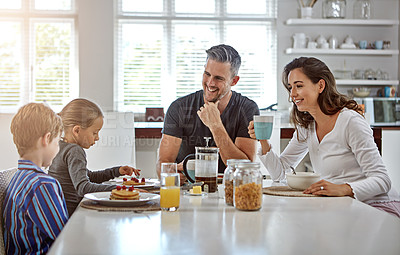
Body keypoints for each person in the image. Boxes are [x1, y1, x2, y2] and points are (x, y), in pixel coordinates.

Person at [248, 57, 400, 218]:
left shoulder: (350, 121)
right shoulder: (307, 126)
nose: (292, 94)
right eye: (290, 87)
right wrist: (263, 140)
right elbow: (279, 173)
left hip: (377, 206)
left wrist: (343, 188)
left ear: (320, 85)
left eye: (299, 86)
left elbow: (382, 180)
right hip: (341, 205)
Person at [157, 44, 260, 179]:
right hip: (189, 190)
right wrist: (172, 173)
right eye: (207, 74)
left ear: (234, 81)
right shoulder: (179, 107)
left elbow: (245, 170)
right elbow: (163, 164)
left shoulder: (247, 109)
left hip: (229, 190)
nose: (210, 83)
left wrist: (215, 125)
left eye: (219, 78)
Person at [48, 98, 140, 215]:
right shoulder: (74, 151)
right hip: (72, 215)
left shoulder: (59, 146)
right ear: (77, 130)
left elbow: (88, 177)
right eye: (94, 133)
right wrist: (120, 189)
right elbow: (83, 188)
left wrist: (116, 171)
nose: (97, 138)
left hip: (60, 212)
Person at [3, 103, 69, 254]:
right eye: (57, 142)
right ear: (46, 139)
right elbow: (66, 237)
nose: (57, 149)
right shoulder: (43, 184)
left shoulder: (16, 179)